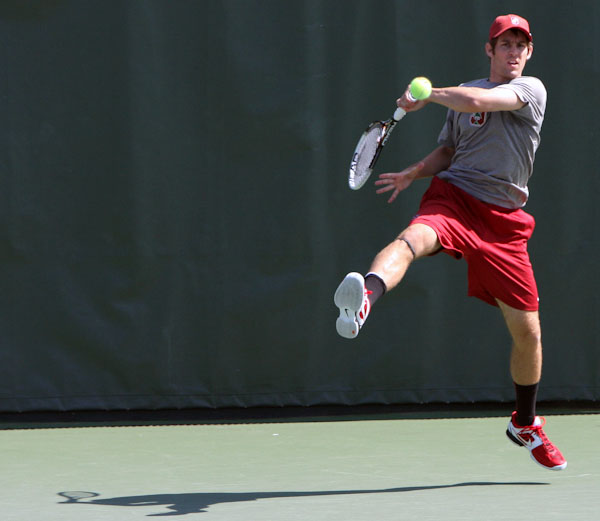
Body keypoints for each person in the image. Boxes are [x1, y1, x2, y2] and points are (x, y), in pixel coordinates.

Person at [334, 14, 566, 471]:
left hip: (504, 221)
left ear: (530, 52)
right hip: (456, 197)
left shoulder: (530, 90)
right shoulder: (464, 92)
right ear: (490, 50)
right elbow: (449, 151)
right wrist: (413, 172)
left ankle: (525, 423)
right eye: (506, 45)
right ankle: (364, 297)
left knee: (528, 333)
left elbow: (480, 99)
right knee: (414, 238)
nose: (514, 52)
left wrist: (429, 95)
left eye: (521, 45)